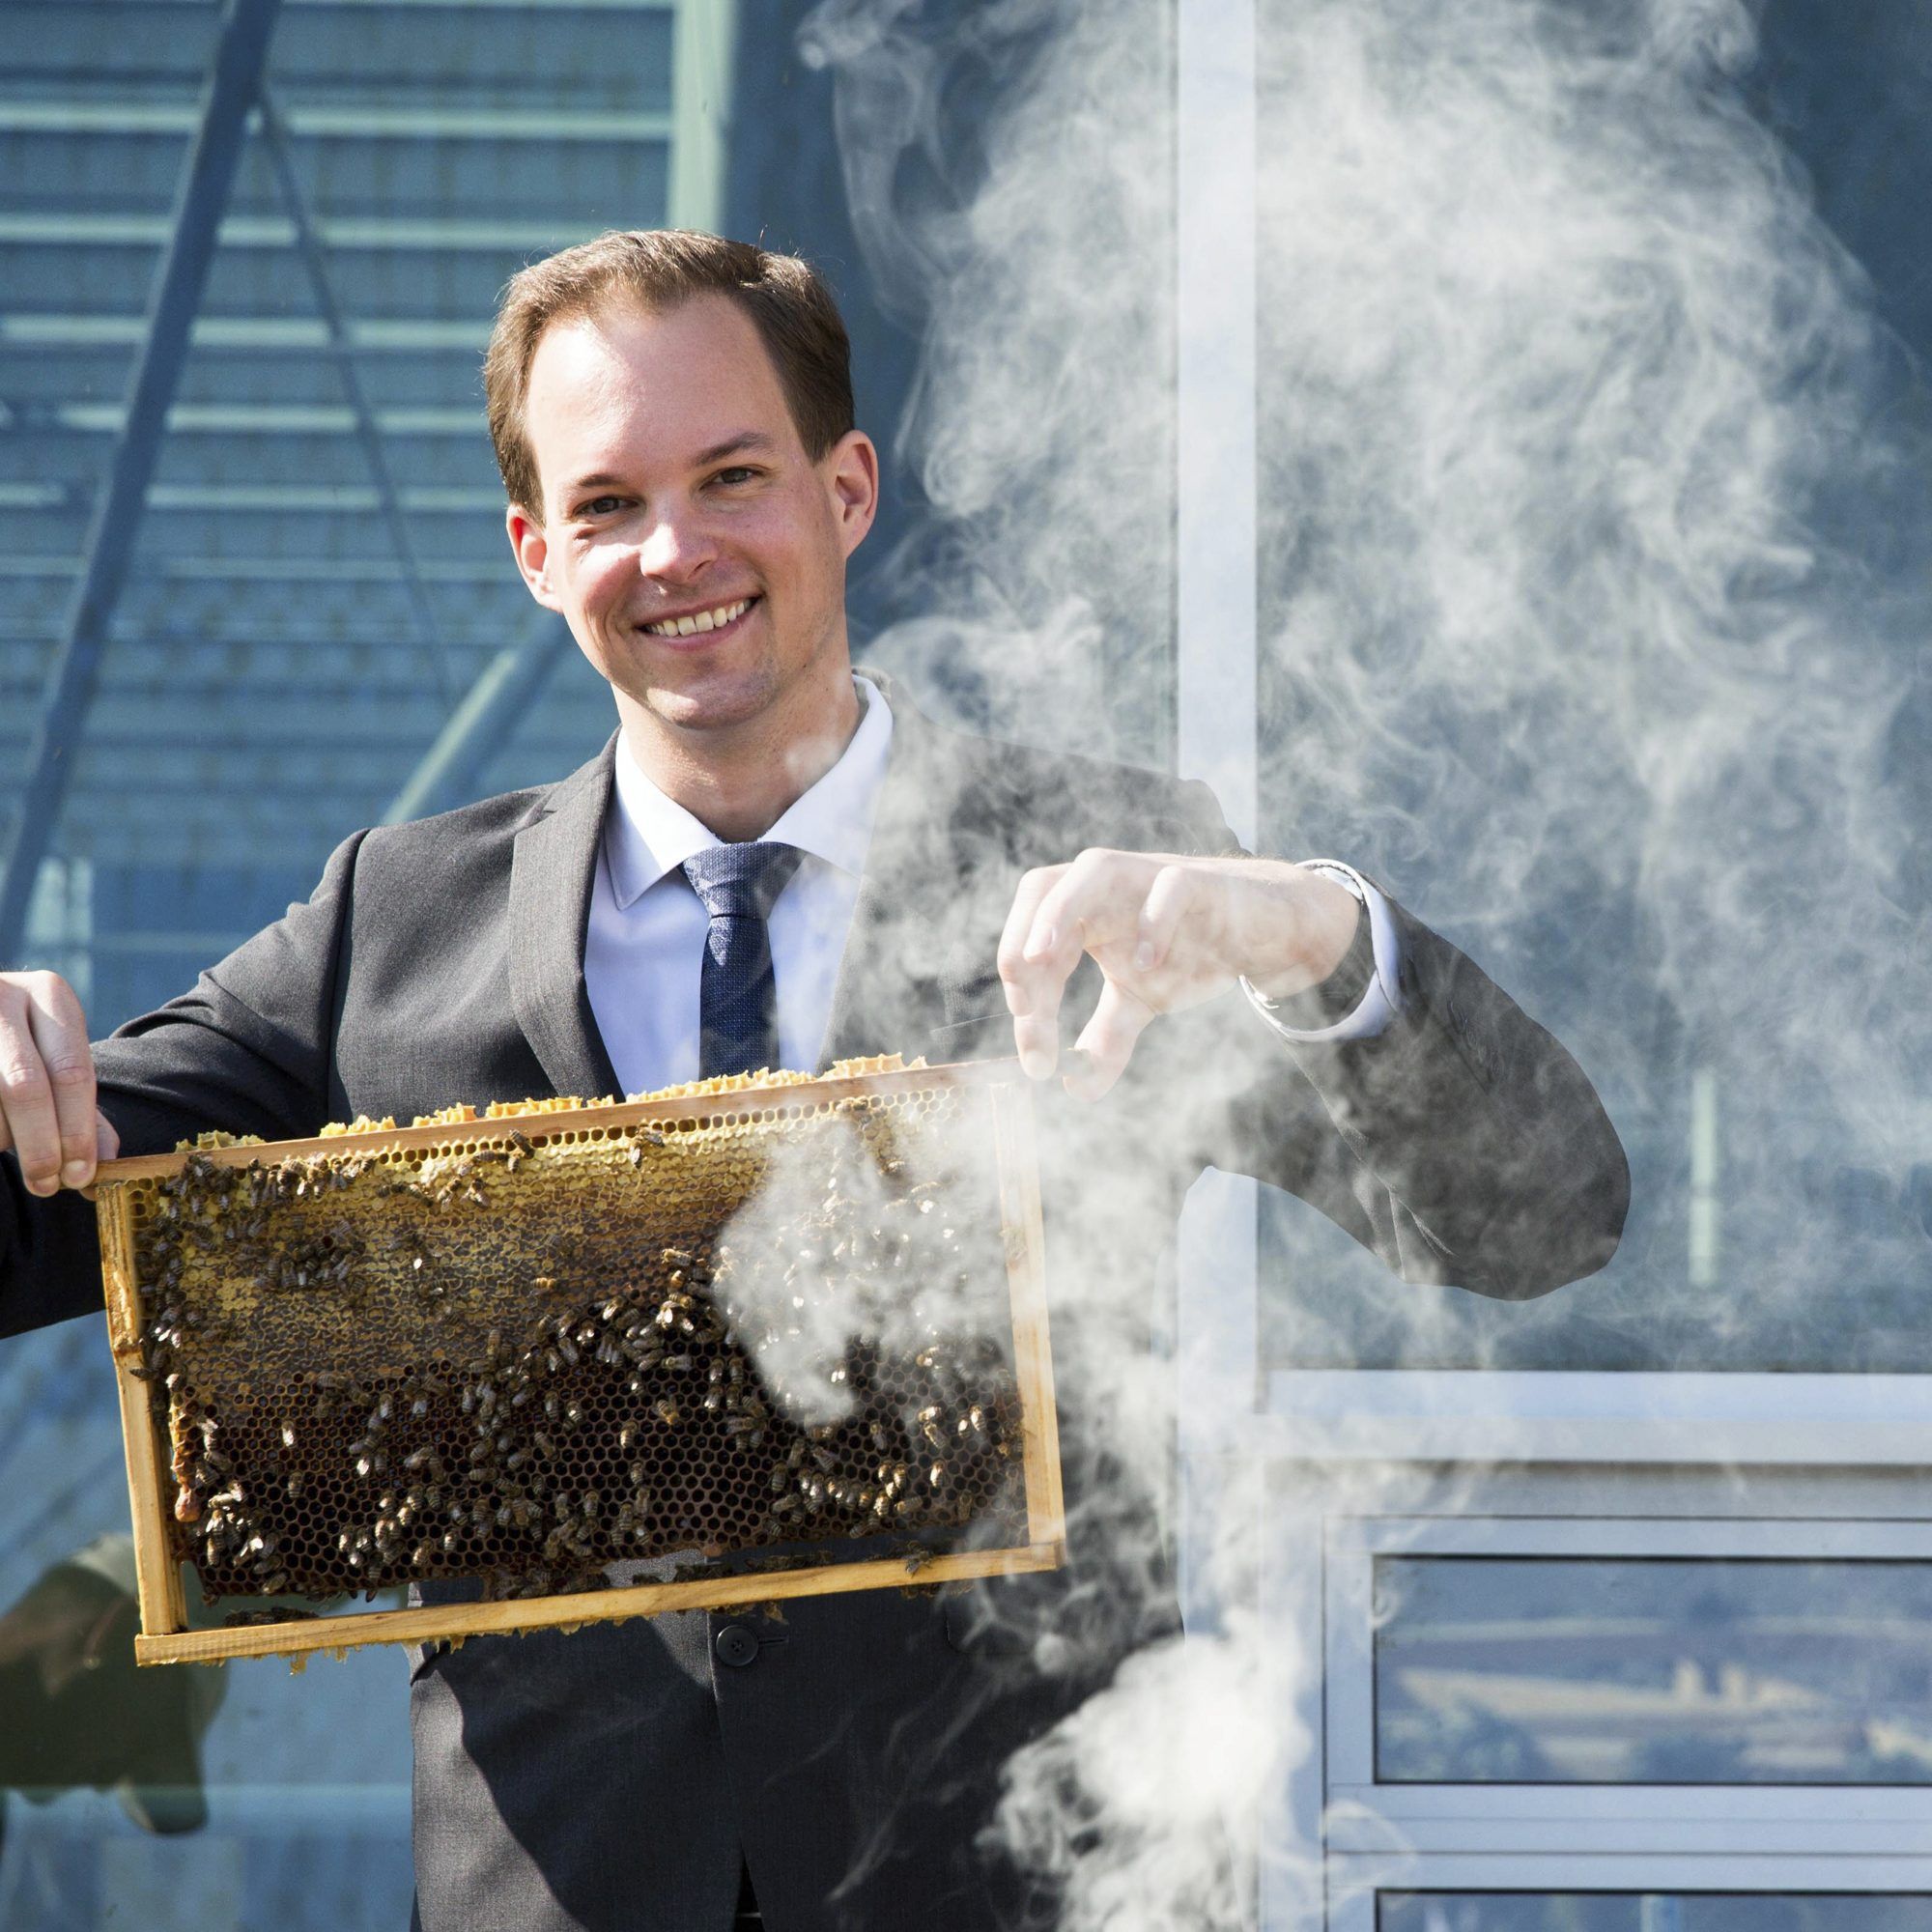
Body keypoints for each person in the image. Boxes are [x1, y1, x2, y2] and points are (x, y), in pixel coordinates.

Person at [0, 230, 1628, 1931]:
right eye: (611, 502)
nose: (677, 549)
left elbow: (1547, 1213)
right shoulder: (385, 936)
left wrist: (1316, 935)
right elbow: (28, 1222)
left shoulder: (1106, 896)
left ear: (846, 489)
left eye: (731, 476)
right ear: (534, 552)